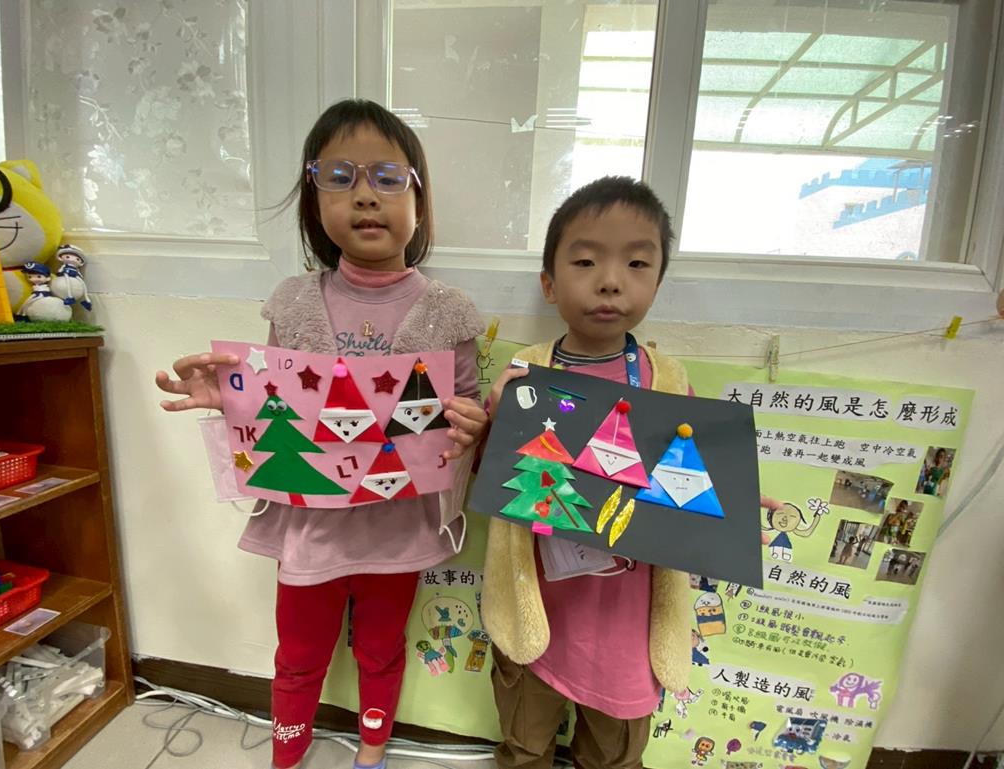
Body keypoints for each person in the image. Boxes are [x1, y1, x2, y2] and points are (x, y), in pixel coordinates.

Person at [154, 99, 488, 769]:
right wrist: (226, 398)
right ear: (314, 199)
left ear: (419, 199)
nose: (364, 195)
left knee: (381, 649)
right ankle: (288, 755)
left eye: (387, 177)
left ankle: (372, 751)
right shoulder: (294, 302)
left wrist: (474, 427)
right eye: (339, 176)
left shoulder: (448, 310)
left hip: (397, 529)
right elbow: (276, 403)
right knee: (299, 655)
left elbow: (467, 408)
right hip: (311, 528)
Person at [481, 177, 692, 769]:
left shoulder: (668, 380)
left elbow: (690, 484)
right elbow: (492, 482)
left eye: (636, 263)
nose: (610, 280)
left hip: (626, 623)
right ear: (549, 284)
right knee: (524, 746)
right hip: (538, 607)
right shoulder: (525, 374)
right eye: (585, 261)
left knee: (615, 758)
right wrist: (493, 418)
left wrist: (735, 508)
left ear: (657, 282)